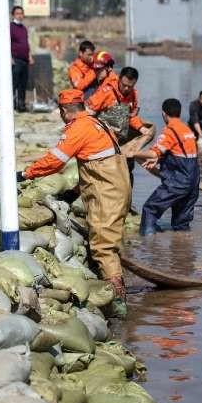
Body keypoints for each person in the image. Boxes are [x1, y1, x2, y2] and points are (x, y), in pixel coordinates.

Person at [19, 89, 130, 317]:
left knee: (103, 246)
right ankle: (112, 286)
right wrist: (73, 193)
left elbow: (55, 161)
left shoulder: (78, 128)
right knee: (108, 240)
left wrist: (25, 174)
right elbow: (95, 164)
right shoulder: (96, 123)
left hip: (106, 194)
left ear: (64, 110)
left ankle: (118, 304)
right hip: (117, 188)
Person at [132, 98, 200, 234]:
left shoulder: (170, 130)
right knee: (181, 223)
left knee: (150, 209)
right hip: (193, 182)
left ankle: (148, 246)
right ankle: (183, 250)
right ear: (179, 113)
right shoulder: (187, 130)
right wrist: (159, 159)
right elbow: (181, 153)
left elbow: (152, 153)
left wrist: (132, 152)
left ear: (164, 114)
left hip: (178, 182)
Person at [85, 52, 150, 138]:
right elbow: (88, 112)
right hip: (99, 128)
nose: (126, 88)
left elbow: (131, 116)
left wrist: (141, 127)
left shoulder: (133, 94)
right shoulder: (106, 89)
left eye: (99, 70)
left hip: (113, 127)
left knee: (126, 113)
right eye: (95, 69)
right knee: (122, 111)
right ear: (119, 80)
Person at [10, 5, 33, 112]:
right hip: (16, 59)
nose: (20, 16)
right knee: (14, 83)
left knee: (23, 83)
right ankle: (12, 104)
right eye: (17, 13)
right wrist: (10, 57)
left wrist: (30, 56)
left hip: (25, 59)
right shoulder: (10, 27)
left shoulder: (23, 28)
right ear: (13, 15)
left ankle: (21, 104)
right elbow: (7, 43)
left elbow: (26, 43)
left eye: (21, 13)